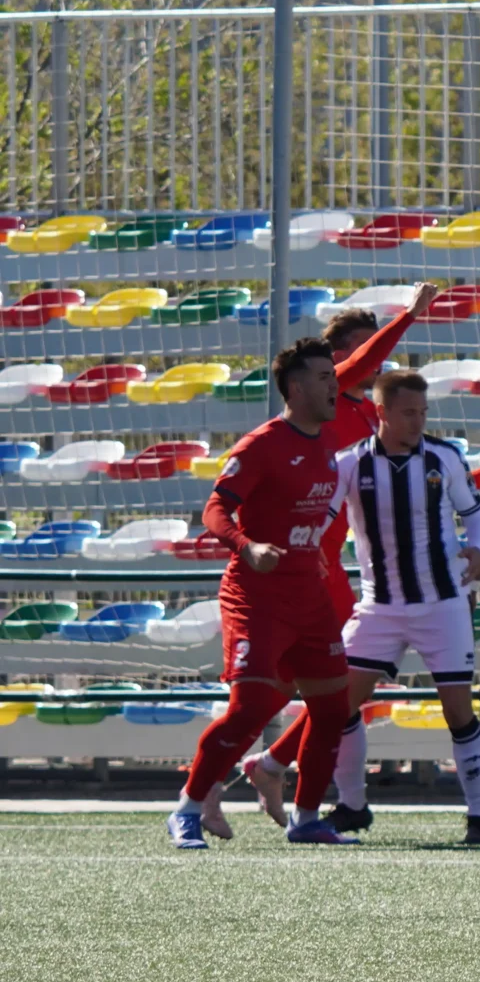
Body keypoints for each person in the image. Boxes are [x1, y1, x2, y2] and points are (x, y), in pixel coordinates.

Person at [232, 282, 441, 831]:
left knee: (338, 689)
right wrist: (410, 316)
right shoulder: (341, 393)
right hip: (298, 566)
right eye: (353, 352)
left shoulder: (373, 415)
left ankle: (291, 775)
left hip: (324, 565)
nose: (372, 359)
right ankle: (224, 784)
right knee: (310, 689)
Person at [166, 339, 358, 848]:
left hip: (308, 596)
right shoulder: (261, 444)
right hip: (257, 597)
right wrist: (246, 546)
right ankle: (187, 808)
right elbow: (214, 511)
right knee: (251, 708)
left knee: (333, 708)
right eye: (322, 377)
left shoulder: (327, 441)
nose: (333, 384)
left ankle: (307, 817)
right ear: (296, 389)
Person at [329, 370, 480, 843]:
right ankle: (352, 805)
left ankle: (479, 816)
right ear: (381, 412)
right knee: (339, 704)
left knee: (459, 712)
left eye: (423, 412)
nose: (418, 420)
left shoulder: (444, 456)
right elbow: (322, 519)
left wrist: (478, 551)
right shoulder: (350, 464)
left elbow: (474, 516)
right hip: (379, 606)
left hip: (441, 604)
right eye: (408, 412)